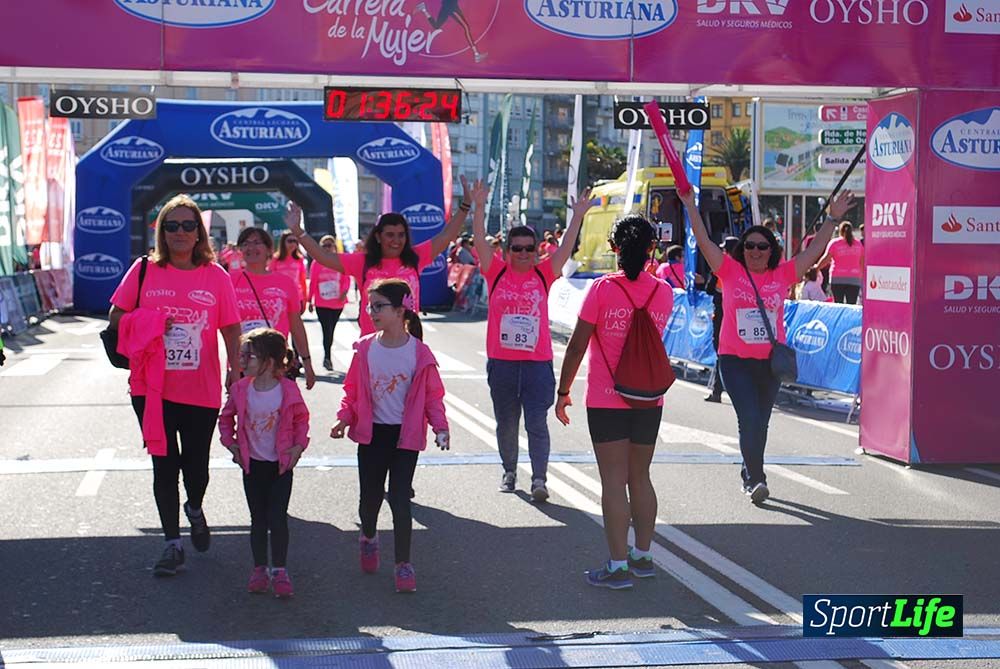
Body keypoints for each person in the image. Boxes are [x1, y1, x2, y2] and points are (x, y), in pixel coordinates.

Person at [685, 188, 856, 504]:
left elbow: (816, 250)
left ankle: (749, 471)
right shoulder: (730, 271)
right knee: (749, 418)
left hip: (769, 363)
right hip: (734, 361)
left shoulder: (783, 275)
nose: (755, 250)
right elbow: (704, 240)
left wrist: (833, 217)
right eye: (749, 245)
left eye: (762, 246)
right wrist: (689, 206)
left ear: (771, 250)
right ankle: (756, 479)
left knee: (760, 423)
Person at [108, 194, 242, 577]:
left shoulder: (216, 276)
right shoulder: (144, 270)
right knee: (164, 466)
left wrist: (236, 371)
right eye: (172, 226)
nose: (180, 233)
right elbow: (117, 316)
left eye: (188, 226)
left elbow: (231, 329)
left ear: (199, 232)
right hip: (151, 387)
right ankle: (172, 543)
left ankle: (195, 508)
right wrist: (151, 321)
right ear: (161, 232)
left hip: (200, 388)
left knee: (196, 467)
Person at [554, 213, 674, 590]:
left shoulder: (601, 290)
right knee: (641, 476)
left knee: (612, 481)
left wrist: (563, 392)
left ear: (613, 248)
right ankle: (643, 556)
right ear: (652, 247)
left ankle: (618, 565)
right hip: (649, 398)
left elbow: (575, 347)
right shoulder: (664, 292)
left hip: (607, 398)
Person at [472, 181, 593, 500]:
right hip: (502, 366)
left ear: (537, 249)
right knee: (507, 425)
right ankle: (509, 470)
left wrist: (577, 216)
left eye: (529, 248)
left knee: (537, 424)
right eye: (517, 248)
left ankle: (539, 479)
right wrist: (479, 207)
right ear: (507, 251)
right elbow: (479, 241)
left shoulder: (544, 272)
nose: (523, 253)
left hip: (538, 366)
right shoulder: (494, 271)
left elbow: (566, 246)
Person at [331, 279, 450, 593]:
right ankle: (368, 536)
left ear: (401, 311)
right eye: (370, 306)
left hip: (404, 438)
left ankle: (403, 564)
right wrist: (344, 419)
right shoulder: (366, 348)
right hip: (371, 436)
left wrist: (440, 426)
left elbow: (432, 396)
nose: (372, 312)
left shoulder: (419, 353)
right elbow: (352, 392)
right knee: (369, 500)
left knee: (399, 499)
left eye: (379, 306)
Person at [285, 176, 474, 336]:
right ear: (378, 236)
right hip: (372, 345)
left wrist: (465, 205)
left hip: (409, 342)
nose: (396, 240)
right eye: (390, 235)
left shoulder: (417, 257)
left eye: (401, 235)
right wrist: (298, 231)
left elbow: (447, 235)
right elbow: (322, 257)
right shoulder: (362, 262)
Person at [220, 328, 309, 598]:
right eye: (242, 355)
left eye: (250, 356)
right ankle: (259, 569)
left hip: (280, 465)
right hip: (253, 464)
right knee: (258, 519)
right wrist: (231, 444)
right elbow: (226, 419)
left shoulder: (288, 390)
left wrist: (298, 447)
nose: (243, 361)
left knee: (277, 518)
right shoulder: (240, 389)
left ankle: (280, 570)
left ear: (270, 362)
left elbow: (301, 420)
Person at [230, 227, 316, 389]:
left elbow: (296, 325)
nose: (251, 248)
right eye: (246, 244)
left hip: (276, 363)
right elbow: (226, 329)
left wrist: (307, 362)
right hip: (244, 364)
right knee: (246, 413)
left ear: (269, 249)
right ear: (240, 249)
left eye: (257, 243)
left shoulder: (285, 283)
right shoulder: (230, 281)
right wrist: (233, 369)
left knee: (282, 413)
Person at [307, 235, 352, 371]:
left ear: (334, 247)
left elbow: (347, 277)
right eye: (324, 245)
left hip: (337, 302)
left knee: (331, 330)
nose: (327, 248)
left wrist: (344, 292)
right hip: (322, 303)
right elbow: (313, 281)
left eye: (329, 245)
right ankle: (327, 357)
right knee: (326, 329)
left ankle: (327, 354)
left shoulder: (340, 260)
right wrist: (310, 300)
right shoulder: (317, 262)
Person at [704, 236, 740, 403]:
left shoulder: (721, 265)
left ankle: (717, 391)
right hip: (740, 315)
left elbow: (710, 289)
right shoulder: (745, 266)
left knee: (722, 352)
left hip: (722, 314)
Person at [413, 0, 487, 63]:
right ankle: (476, 54)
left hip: (446, 6)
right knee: (466, 27)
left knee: (436, 26)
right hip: (452, 7)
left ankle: (423, 9)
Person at [816, 221, 864, 304]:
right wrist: (861, 276)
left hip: (837, 278)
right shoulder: (858, 244)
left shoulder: (834, 243)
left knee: (838, 304)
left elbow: (826, 259)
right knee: (851, 305)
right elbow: (862, 262)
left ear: (840, 231)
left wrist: (817, 268)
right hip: (854, 279)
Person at [270, 231, 308, 311]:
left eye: (295, 241)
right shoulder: (276, 259)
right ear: (283, 242)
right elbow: (270, 278)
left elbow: (302, 280)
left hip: (297, 296)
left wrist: (305, 298)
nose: (293, 244)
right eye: (290, 241)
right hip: (280, 296)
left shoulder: (299, 259)